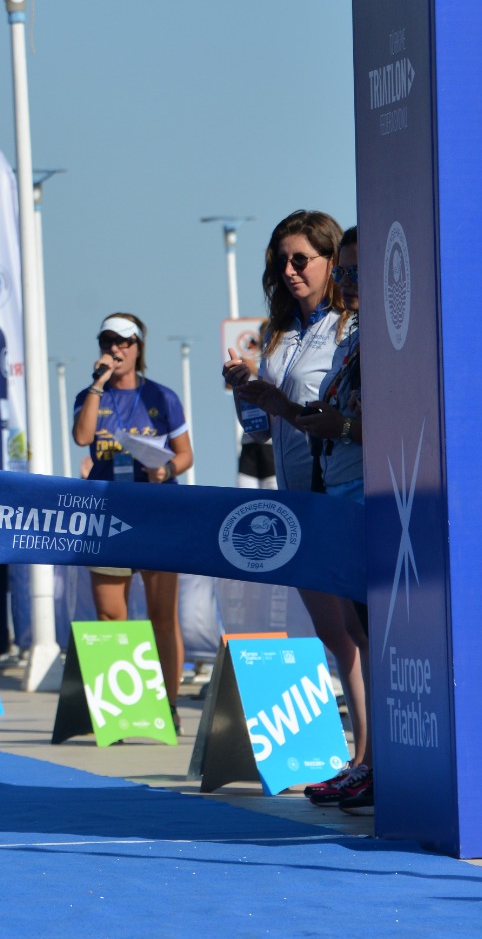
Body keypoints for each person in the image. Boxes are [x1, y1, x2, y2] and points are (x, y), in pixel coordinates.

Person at [222, 210, 372, 794]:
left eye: (300, 259)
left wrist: (283, 406)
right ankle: (361, 758)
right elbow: (263, 428)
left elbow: (332, 415)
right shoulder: (281, 331)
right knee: (333, 635)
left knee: (358, 630)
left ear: (331, 261)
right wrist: (250, 393)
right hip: (295, 493)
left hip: (335, 485)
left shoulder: (350, 326)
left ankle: (368, 759)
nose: (288, 271)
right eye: (280, 261)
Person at [71, 313, 194, 727]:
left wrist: (168, 471)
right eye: (108, 341)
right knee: (110, 615)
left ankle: (169, 704)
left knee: (162, 615)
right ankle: (118, 712)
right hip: (108, 516)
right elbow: (83, 438)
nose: (116, 349)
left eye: (124, 342)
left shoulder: (163, 396)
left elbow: (185, 453)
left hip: (157, 514)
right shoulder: (93, 394)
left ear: (139, 347)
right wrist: (97, 384)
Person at [291, 225, 373, 814]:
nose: (346, 284)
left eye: (352, 271)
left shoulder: (385, 335)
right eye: (342, 273)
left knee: (369, 636)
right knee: (353, 631)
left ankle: (376, 763)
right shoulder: (352, 340)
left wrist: (340, 427)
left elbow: (394, 419)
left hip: (372, 489)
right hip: (337, 488)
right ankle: (370, 764)